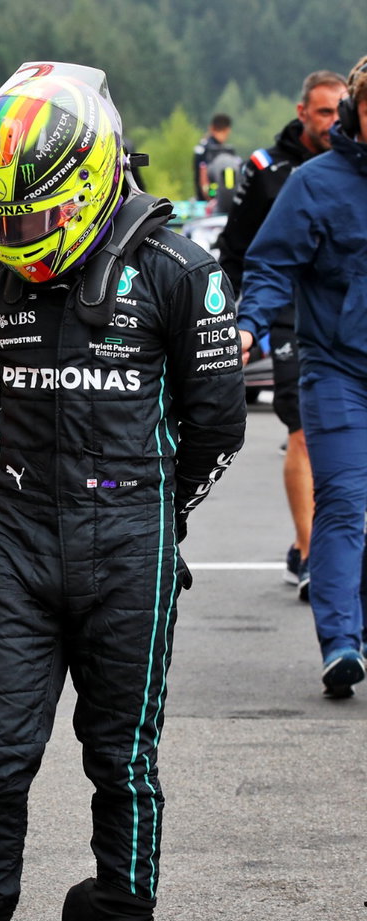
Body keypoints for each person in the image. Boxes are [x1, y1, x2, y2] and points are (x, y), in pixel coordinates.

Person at [0, 62, 245, 921]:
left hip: (130, 549)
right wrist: (33, 486)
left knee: (121, 764)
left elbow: (217, 426)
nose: (15, 236)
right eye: (1, 217)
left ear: (86, 182)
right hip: (20, 543)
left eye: (30, 218)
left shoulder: (178, 271)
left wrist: (152, 512)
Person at [237, 55, 367, 698]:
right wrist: (245, 328)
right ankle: (341, 642)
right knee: (342, 501)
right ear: (353, 112)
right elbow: (269, 266)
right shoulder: (315, 184)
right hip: (339, 369)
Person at [219, 70, 349, 599]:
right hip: (283, 309)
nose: (334, 121)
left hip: (342, 309)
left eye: (341, 110)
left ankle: (320, 544)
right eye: (324, 111)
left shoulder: (353, 167)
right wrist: (237, 319)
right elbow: (235, 248)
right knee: (300, 429)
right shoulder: (266, 169)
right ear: (302, 113)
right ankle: (312, 552)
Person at [193, 113, 235, 202]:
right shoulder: (213, 150)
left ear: (211, 128)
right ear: (227, 130)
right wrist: (211, 197)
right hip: (210, 200)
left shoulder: (203, 145)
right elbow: (204, 176)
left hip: (202, 198)